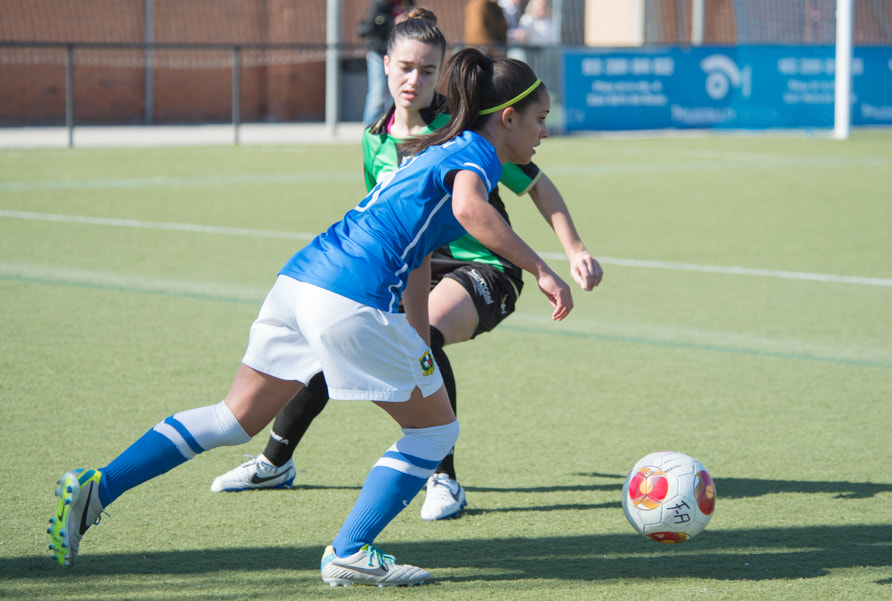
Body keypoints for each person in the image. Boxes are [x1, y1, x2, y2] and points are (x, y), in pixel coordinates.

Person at [47, 46, 574, 587]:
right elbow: (469, 210)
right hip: (353, 298)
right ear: (505, 118)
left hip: (301, 281)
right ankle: (350, 549)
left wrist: (416, 343)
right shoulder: (479, 153)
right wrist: (541, 270)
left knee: (234, 419)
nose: (544, 133)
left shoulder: (432, 150)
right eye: (539, 120)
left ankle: (99, 485)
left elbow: (416, 255)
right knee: (435, 434)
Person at [210, 8, 603, 523]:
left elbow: (533, 183)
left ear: (441, 73)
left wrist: (571, 249)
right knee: (336, 341)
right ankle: (274, 462)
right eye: (403, 67)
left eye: (425, 70)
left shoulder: (464, 128)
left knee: (426, 337)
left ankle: (444, 479)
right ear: (385, 64)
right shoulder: (376, 136)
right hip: (409, 266)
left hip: (481, 267)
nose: (412, 80)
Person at [358, 0, 414, 124]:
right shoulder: (381, 3)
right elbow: (371, 27)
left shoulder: (407, 3)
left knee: (396, 93)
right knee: (378, 94)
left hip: (398, 54)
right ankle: (369, 129)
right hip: (379, 53)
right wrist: (393, 23)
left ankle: (392, 126)